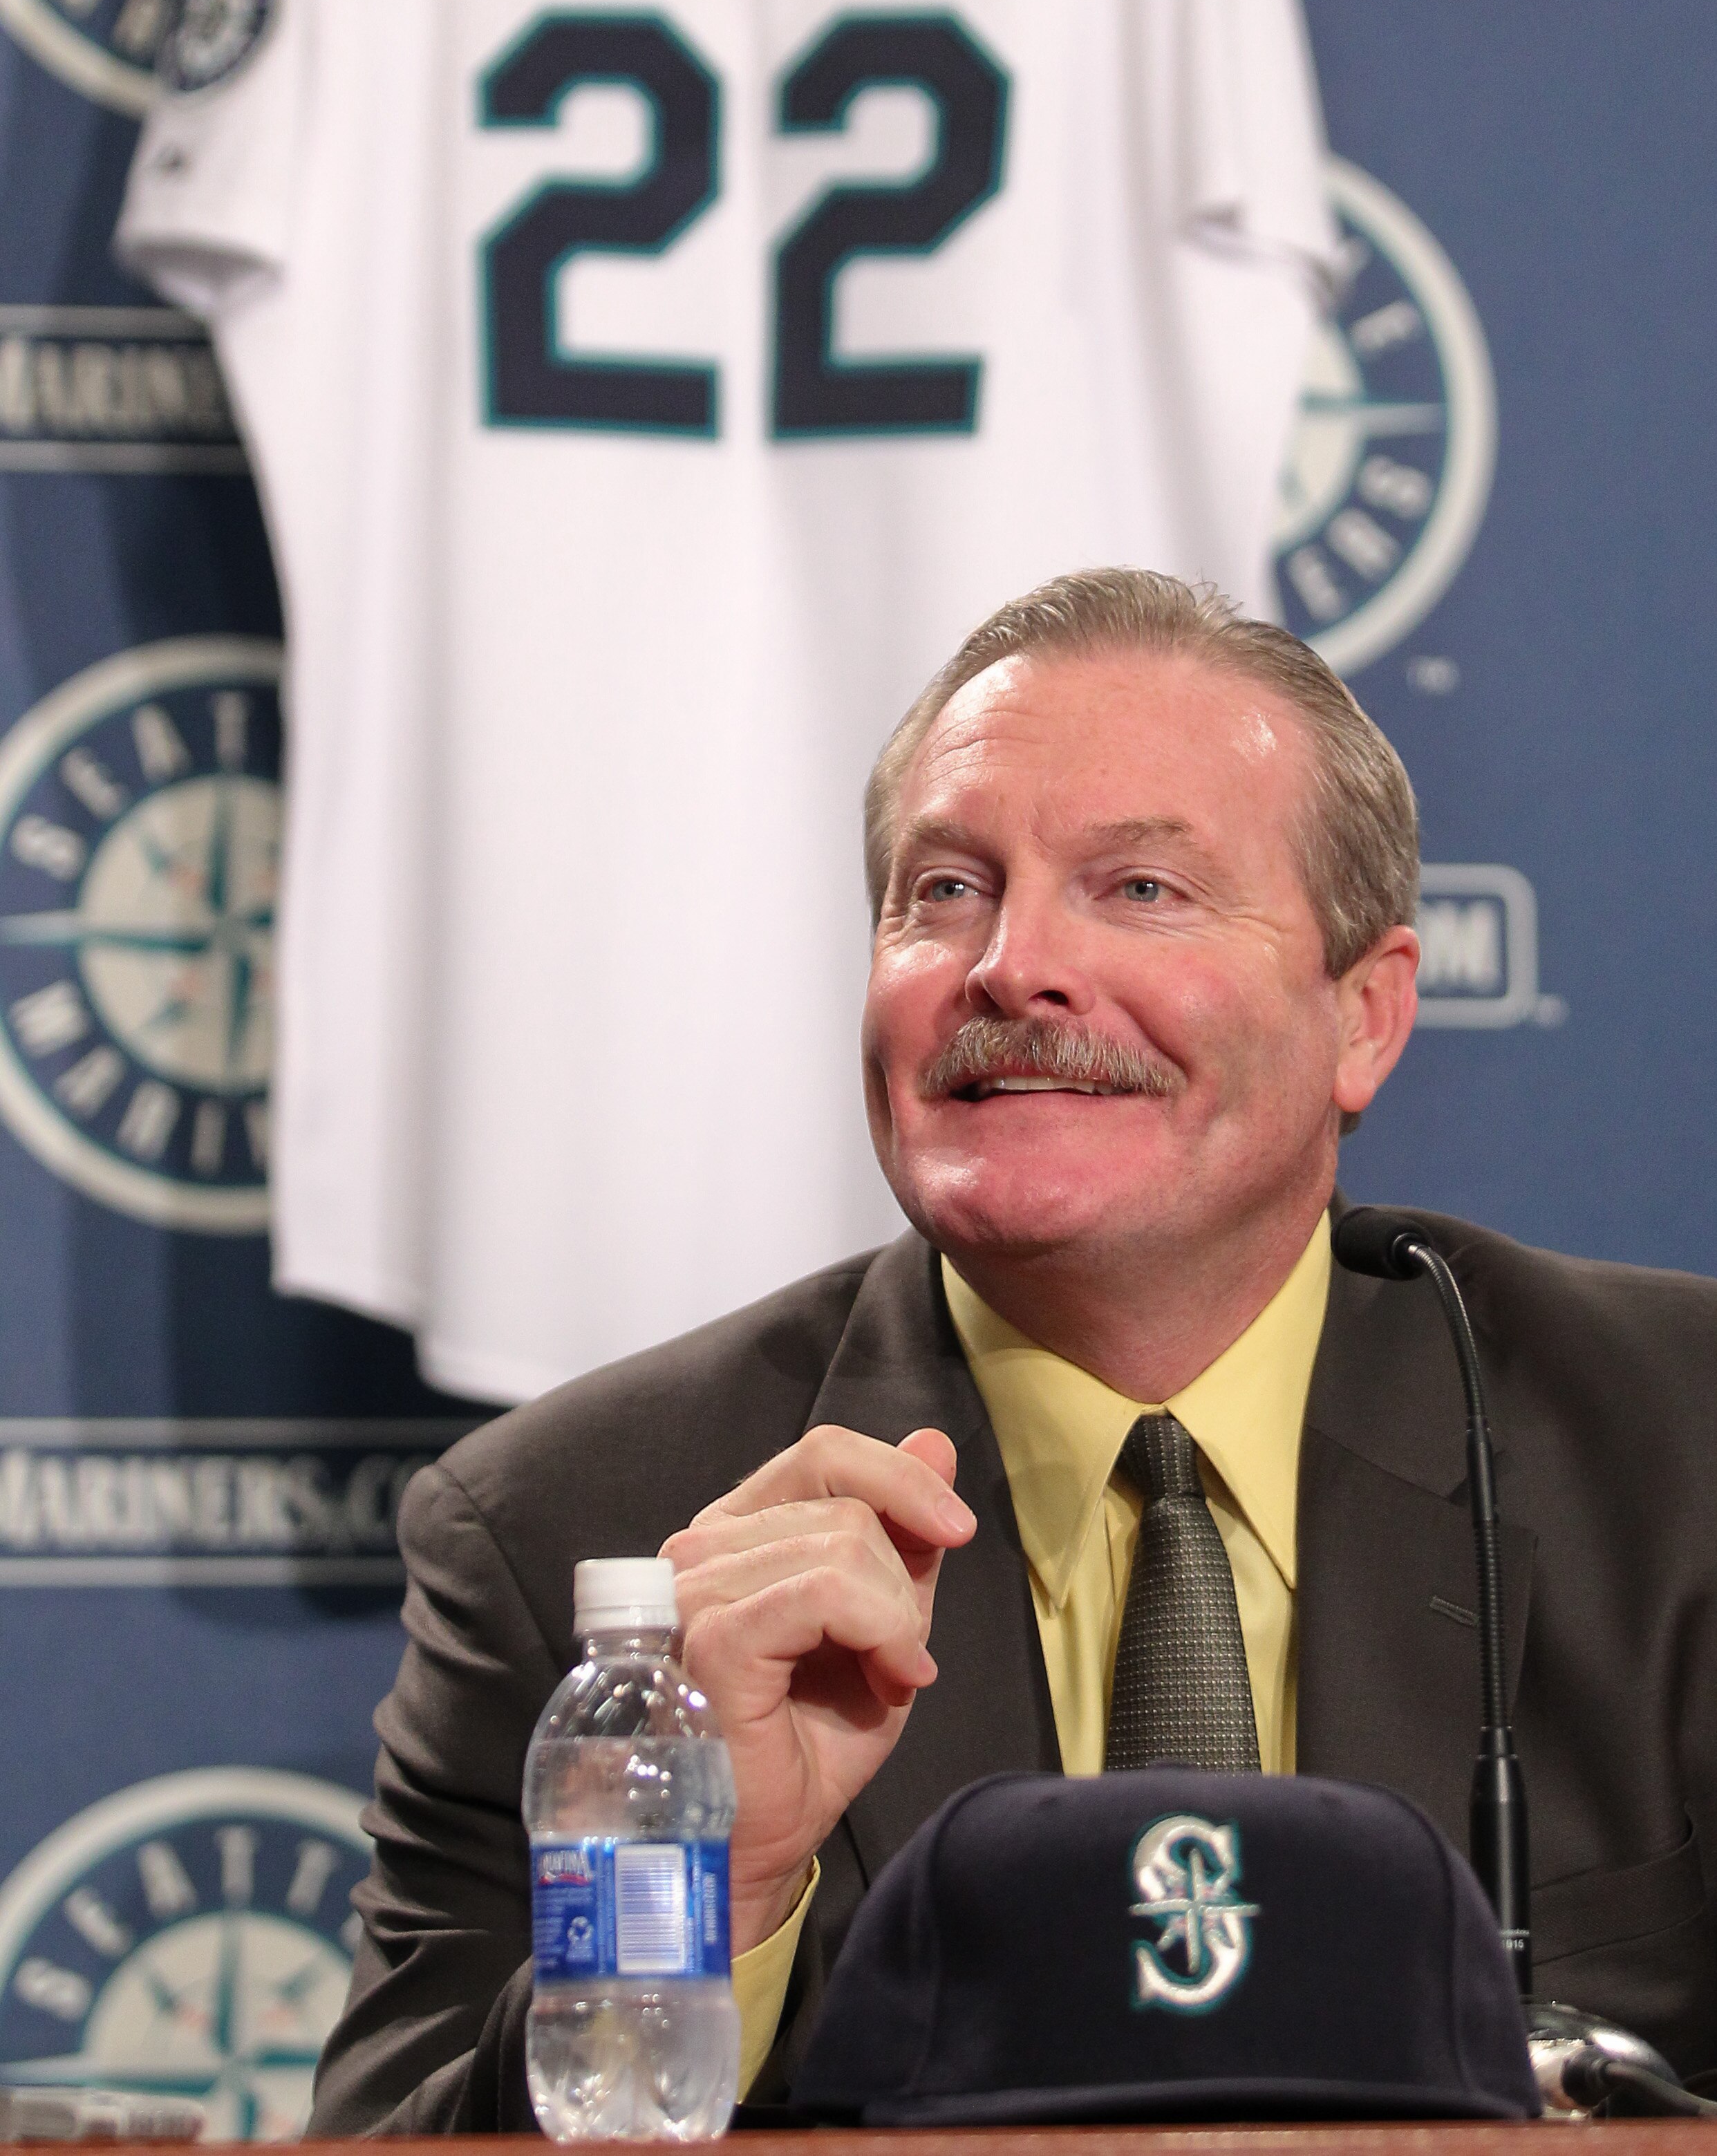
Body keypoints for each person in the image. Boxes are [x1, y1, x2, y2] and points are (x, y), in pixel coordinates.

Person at [310, 570, 1717, 2135]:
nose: (1011, 964)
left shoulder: (1682, 1453)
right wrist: (704, 1893)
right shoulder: (572, 1533)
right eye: (945, 891)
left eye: (1141, 889)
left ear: (1365, 1016)